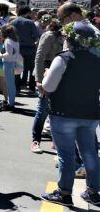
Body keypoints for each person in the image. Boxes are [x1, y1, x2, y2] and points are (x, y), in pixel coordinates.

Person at [41, 22, 100, 206]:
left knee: (65, 154)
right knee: (90, 153)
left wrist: (45, 75)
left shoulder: (64, 58)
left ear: (70, 39)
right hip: (90, 113)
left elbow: (48, 86)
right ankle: (93, 192)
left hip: (63, 112)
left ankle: (64, 193)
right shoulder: (97, 59)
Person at [30, 20, 63, 153]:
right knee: (43, 109)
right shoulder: (49, 35)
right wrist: (39, 80)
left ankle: (56, 141)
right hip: (46, 73)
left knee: (58, 110)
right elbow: (39, 57)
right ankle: (35, 140)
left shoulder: (68, 36)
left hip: (61, 74)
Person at [11, 6, 39, 93]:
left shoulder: (13, 22)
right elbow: (36, 36)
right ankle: (31, 87)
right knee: (31, 68)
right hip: (30, 48)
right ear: (27, 12)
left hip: (17, 48)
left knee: (17, 69)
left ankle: (17, 87)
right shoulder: (30, 22)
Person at [0, 25, 20, 111]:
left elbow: (8, 54)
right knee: (11, 84)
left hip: (7, 63)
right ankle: (11, 102)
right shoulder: (16, 40)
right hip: (14, 63)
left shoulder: (7, 41)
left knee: (9, 84)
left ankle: (11, 104)